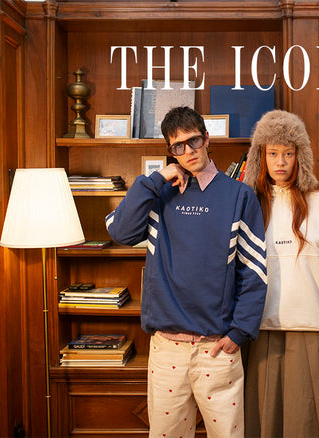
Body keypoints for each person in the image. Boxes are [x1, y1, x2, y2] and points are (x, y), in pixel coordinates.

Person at [105, 106, 267, 438]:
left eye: (193, 141)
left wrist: (239, 333)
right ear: (170, 151)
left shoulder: (239, 195)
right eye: (178, 146)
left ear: (207, 139)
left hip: (217, 350)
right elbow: (120, 232)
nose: (188, 151)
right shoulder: (157, 194)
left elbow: (255, 271)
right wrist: (155, 180)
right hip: (167, 349)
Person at [243, 110, 319, 438]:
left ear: (300, 157)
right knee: (264, 423)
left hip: (312, 333)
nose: (280, 162)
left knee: (307, 424)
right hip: (260, 333)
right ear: (260, 157)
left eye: (288, 153)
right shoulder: (248, 206)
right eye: (272, 153)